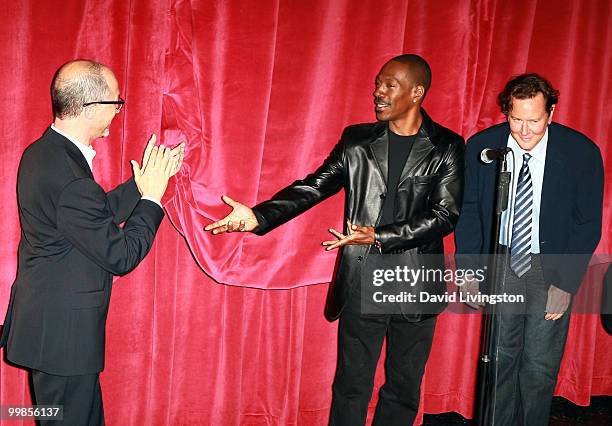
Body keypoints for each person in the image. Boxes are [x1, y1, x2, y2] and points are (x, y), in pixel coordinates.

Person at [205, 54, 464, 425]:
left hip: (416, 280)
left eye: (389, 85)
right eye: (378, 83)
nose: (377, 92)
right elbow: (315, 186)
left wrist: (379, 235)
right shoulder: (356, 141)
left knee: (404, 388)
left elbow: (444, 216)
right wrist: (259, 216)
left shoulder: (447, 146)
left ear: (417, 92)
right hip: (363, 278)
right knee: (351, 385)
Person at [0, 59, 185, 425]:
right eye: (116, 102)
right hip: (64, 340)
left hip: (49, 330)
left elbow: (85, 215)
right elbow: (122, 255)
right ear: (93, 108)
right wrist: (152, 199)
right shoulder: (70, 177)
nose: (118, 111)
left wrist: (140, 184)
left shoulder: (43, 152)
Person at [455, 73, 604, 425]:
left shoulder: (581, 152)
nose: (523, 131)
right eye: (516, 119)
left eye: (534, 121)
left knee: (539, 366)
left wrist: (566, 283)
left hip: (550, 267)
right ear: (506, 112)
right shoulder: (483, 147)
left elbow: (588, 223)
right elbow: (470, 212)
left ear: (550, 113)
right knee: (498, 359)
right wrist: (469, 271)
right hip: (502, 261)